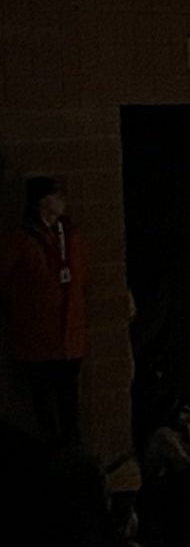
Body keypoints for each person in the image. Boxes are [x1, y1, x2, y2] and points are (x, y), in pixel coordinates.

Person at [2, 176, 87, 444]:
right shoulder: (21, 241)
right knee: (45, 411)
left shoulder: (70, 236)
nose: (63, 201)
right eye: (56, 195)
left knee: (69, 408)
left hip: (68, 340)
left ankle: (73, 460)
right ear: (42, 202)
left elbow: (81, 277)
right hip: (38, 340)